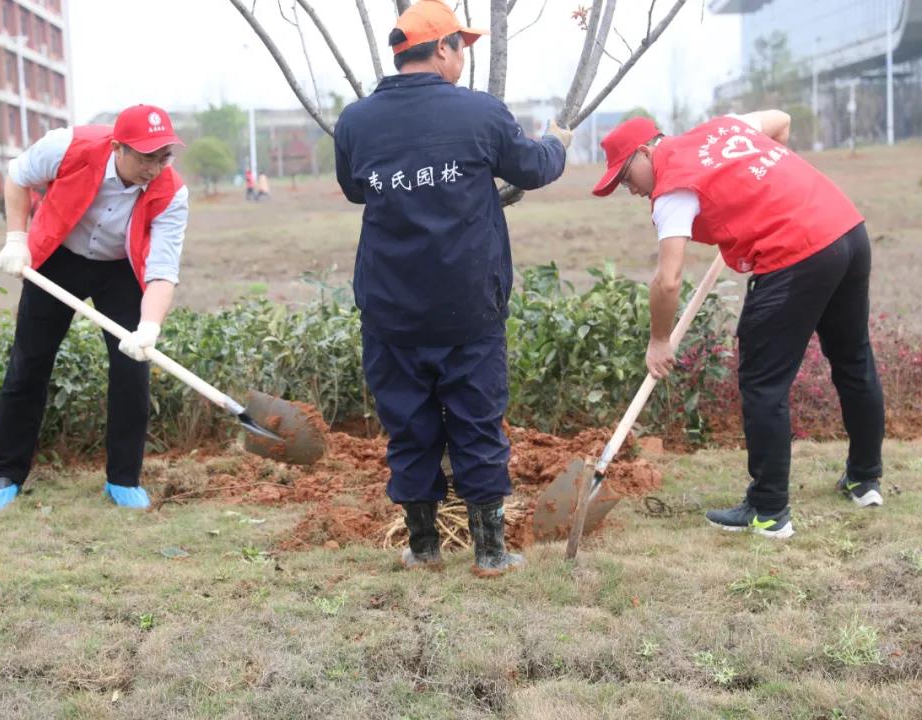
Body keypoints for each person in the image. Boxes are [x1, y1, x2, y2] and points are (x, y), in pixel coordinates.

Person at [334, 0, 570, 574]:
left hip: (391, 309)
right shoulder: (479, 114)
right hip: (468, 308)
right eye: (461, 46)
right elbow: (533, 168)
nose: (463, 56)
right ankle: (490, 552)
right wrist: (557, 141)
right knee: (476, 421)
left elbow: (355, 190)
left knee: (408, 425)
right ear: (443, 48)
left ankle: (423, 551)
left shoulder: (356, 121)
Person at [590, 111, 885, 539]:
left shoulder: (673, 190)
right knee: (853, 357)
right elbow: (782, 121)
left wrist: (658, 340)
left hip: (796, 252)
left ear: (645, 151)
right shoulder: (724, 126)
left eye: (625, 176)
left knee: (763, 383)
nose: (628, 189)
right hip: (846, 229)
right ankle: (864, 480)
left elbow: (667, 281)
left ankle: (768, 512)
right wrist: (763, 190)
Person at [0, 104, 189, 512]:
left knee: (133, 366)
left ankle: (123, 479)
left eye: (163, 156)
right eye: (146, 156)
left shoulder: (172, 194)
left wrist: (148, 327)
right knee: (29, 362)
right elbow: (17, 176)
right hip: (59, 256)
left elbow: (162, 270)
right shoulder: (67, 145)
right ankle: (6, 474)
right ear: (118, 147)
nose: (155, 167)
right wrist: (15, 238)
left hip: (120, 269)